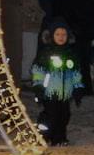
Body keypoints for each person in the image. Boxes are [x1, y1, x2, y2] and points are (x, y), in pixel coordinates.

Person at [32, 18, 85, 146]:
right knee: (50, 115)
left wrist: (78, 88)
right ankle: (43, 135)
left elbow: (76, 73)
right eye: (58, 34)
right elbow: (38, 72)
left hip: (65, 94)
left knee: (64, 115)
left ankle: (59, 137)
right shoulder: (46, 53)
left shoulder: (70, 54)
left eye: (64, 34)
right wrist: (38, 87)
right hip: (50, 92)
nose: (61, 37)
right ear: (52, 36)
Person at [2, 0, 45, 84]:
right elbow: (25, 8)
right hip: (27, 26)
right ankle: (24, 75)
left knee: (29, 52)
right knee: (28, 52)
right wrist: (37, 15)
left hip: (31, 26)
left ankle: (24, 74)